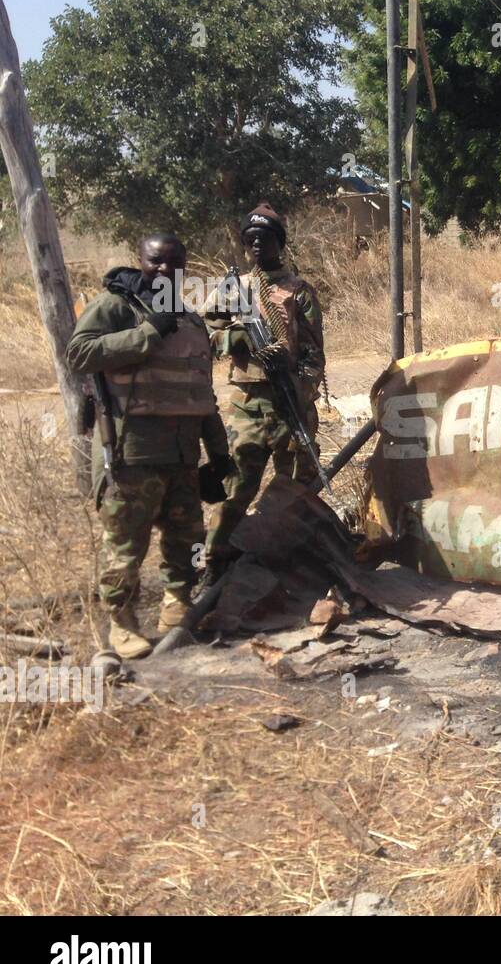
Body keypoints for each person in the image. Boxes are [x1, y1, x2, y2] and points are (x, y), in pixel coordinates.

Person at [66, 234, 232, 667]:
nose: (165, 270)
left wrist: (219, 455)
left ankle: (178, 605)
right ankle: (122, 623)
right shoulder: (116, 306)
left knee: (189, 541)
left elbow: (202, 395)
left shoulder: (191, 321)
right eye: (156, 261)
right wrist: (145, 334)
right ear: (141, 261)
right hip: (131, 457)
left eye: (175, 263)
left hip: (182, 458)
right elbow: (79, 353)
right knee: (125, 548)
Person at [204, 204, 325, 575]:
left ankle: (283, 552)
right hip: (248, 406)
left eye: (266, 238)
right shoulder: (233, 289)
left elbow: (314, 355)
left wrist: (300, 388)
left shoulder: (299, 292)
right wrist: (234, 340)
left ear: (280, 243)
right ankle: (215, 560)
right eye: (251, 239)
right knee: (238, 485)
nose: (258, 245)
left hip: (290, 402)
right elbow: (203, 339)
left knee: (296, 487)